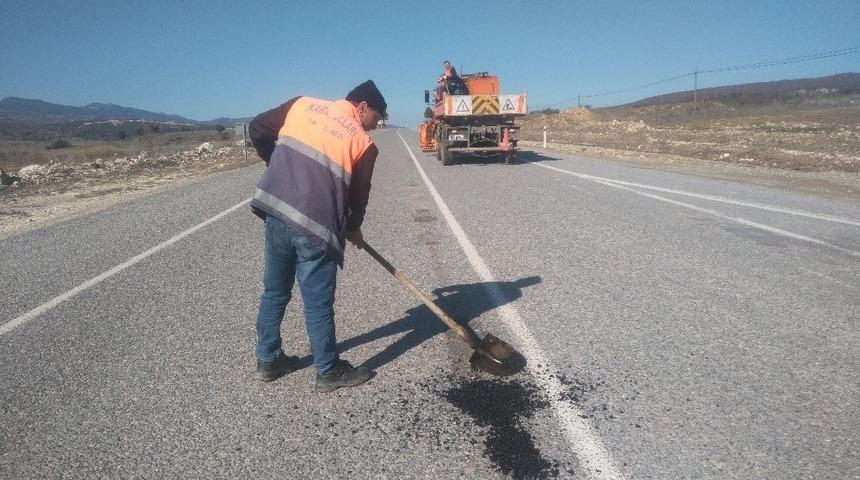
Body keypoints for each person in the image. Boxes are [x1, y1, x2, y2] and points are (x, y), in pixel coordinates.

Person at [247, 80, 387, 392]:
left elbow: (257, 128)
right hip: (315, 224)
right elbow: (357, 199)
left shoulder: (301, 104)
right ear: (362, 107)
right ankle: (327, 371)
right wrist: (353, 229)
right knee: (318, 302)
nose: (374, 127)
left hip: (275, 209)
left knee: (274, 291)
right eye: (375, 119)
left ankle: (267, 360)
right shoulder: (362, 143)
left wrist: (279, 164)